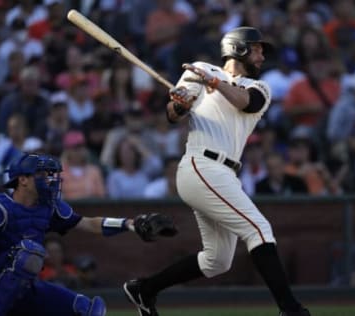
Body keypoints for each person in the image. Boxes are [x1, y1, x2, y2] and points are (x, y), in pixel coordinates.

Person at [123, 26, 311, 316]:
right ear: (239, 49)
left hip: (224, 173)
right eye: (258, 49)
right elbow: (172, 115)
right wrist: (180, 104)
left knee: (218, 261)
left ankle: (145, 290)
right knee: (259, 230)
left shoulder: (260, 87)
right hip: (201, 164)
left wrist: (216, 83)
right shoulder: (200, 69)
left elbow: (245, 102)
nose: (262, 56)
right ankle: (291, 309)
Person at [0, 152, 177, 316]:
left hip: (24, 287)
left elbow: (88, 223)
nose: (50, 180)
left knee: (89, 309)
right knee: (28, 253)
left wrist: (129, 224)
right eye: (42, 174)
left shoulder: (49, 207)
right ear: (22, 179)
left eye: (52, 174)